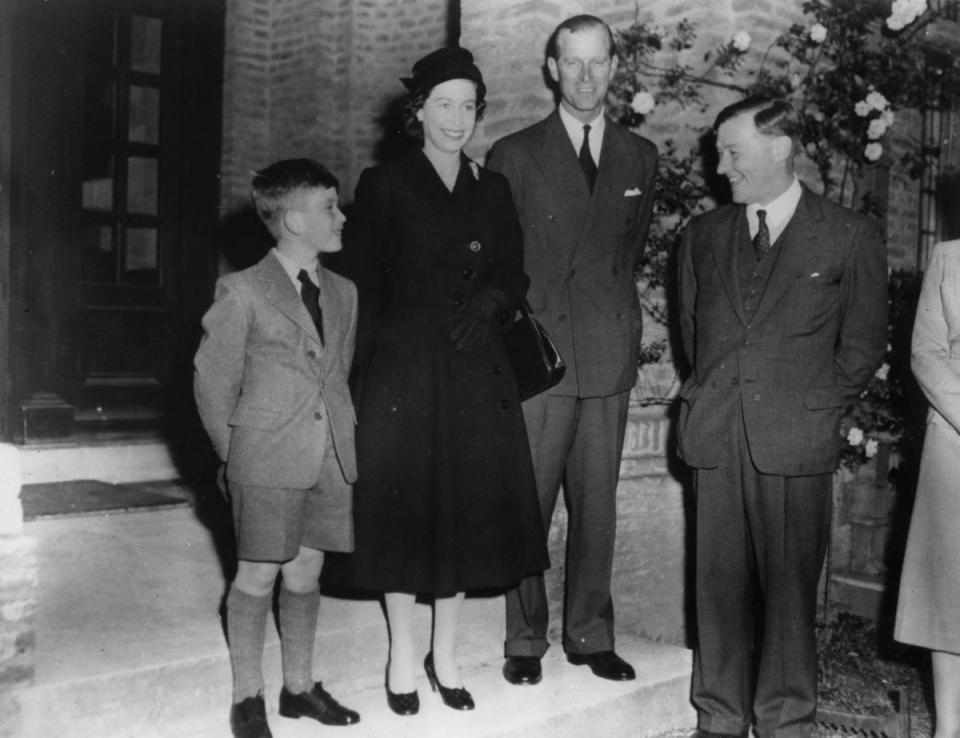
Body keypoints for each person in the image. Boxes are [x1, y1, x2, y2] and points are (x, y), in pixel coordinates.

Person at [321, 47, 549, 715]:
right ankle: (401, 653)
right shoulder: (385, 184)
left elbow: (514, 272)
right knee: (402, 512)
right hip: (406, 368)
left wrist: (493, 303)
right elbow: (359, 284)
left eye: (468, 106)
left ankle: (443, 654)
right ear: (416, 112)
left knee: (461, 513)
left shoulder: (494, 187)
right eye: (443, 105)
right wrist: (355, 379)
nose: (457, 118)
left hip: (478, 366)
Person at [676, 96, 888, 738]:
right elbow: (693, 336)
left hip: (795, 439)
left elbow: (862, 345)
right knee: (716, 592)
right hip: (716, 436)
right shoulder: (701, 236)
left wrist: (815, 409)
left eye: (732, 151)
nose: (721, 166)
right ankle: (718, 716)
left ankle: (786, 721)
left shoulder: (847, 234)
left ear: (779, 147)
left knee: (790, 598)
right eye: (719, 151)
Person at [485, 14, 658, 685]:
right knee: (528, 500)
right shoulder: (516, 152)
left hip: (608, 354)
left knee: (597, 505)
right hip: (542, 356)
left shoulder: (640, 155)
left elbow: (626, 254)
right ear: (552, 69)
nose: (586, 77)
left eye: (598, 62)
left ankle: (591, 632)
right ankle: (524, 639)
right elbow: (500, 263)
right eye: (572, 62)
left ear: (614, 66)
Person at [194, 159, 360, 738]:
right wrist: (237, 457)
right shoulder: (241, 291)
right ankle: (247, 698)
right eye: (330, 208)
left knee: (307, 572)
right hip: (264, 459)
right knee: (258, 575)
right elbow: (212, 385)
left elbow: (336, 374)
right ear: (293, 220)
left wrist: (343, 442)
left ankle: (299, 687)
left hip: (330, 456)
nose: (341, 217)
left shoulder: (344, 292)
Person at [894, 238, 960, 738]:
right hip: (955, 439)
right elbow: (926, 352)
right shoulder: (949, 257)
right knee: (949, 592)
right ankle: (948, 727)